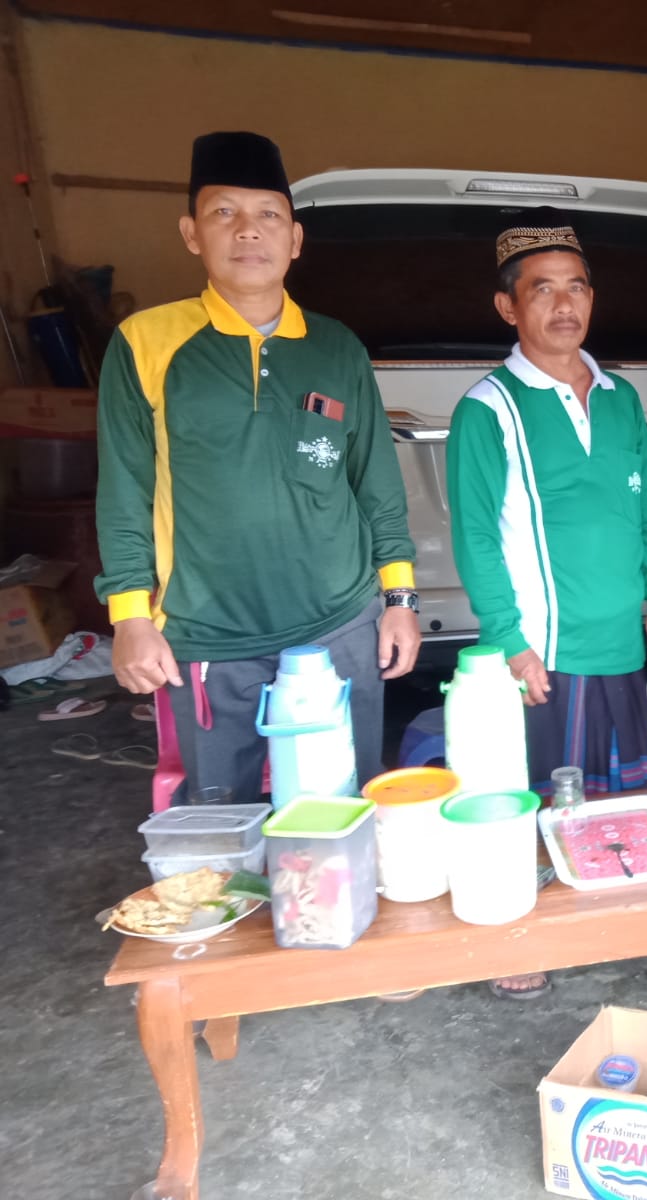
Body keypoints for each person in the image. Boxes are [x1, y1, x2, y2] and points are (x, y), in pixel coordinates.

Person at [95, 131, 419, 801]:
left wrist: (399, 599)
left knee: (345, 809)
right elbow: (124, 486)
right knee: (224, 818)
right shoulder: (147, 343)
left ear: (295, 239)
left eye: (268, 215)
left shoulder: (336, 348)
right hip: (211, 634)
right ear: (191, 233)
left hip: (342, 624)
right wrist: (128, 615)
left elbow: (375, 481)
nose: (248, 232)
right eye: (224, 213)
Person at [448, 214, 647, 996]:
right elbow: (476, 538)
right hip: (548, 648)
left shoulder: (618, 396)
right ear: (508, 308)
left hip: (624, 637)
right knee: (546, 802)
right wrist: (509, 641)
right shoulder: (490, 408)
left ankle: (626, 920)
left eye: (575, 287)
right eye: (540, 290)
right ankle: (530, 945)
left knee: (628, 798)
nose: (563, 305)